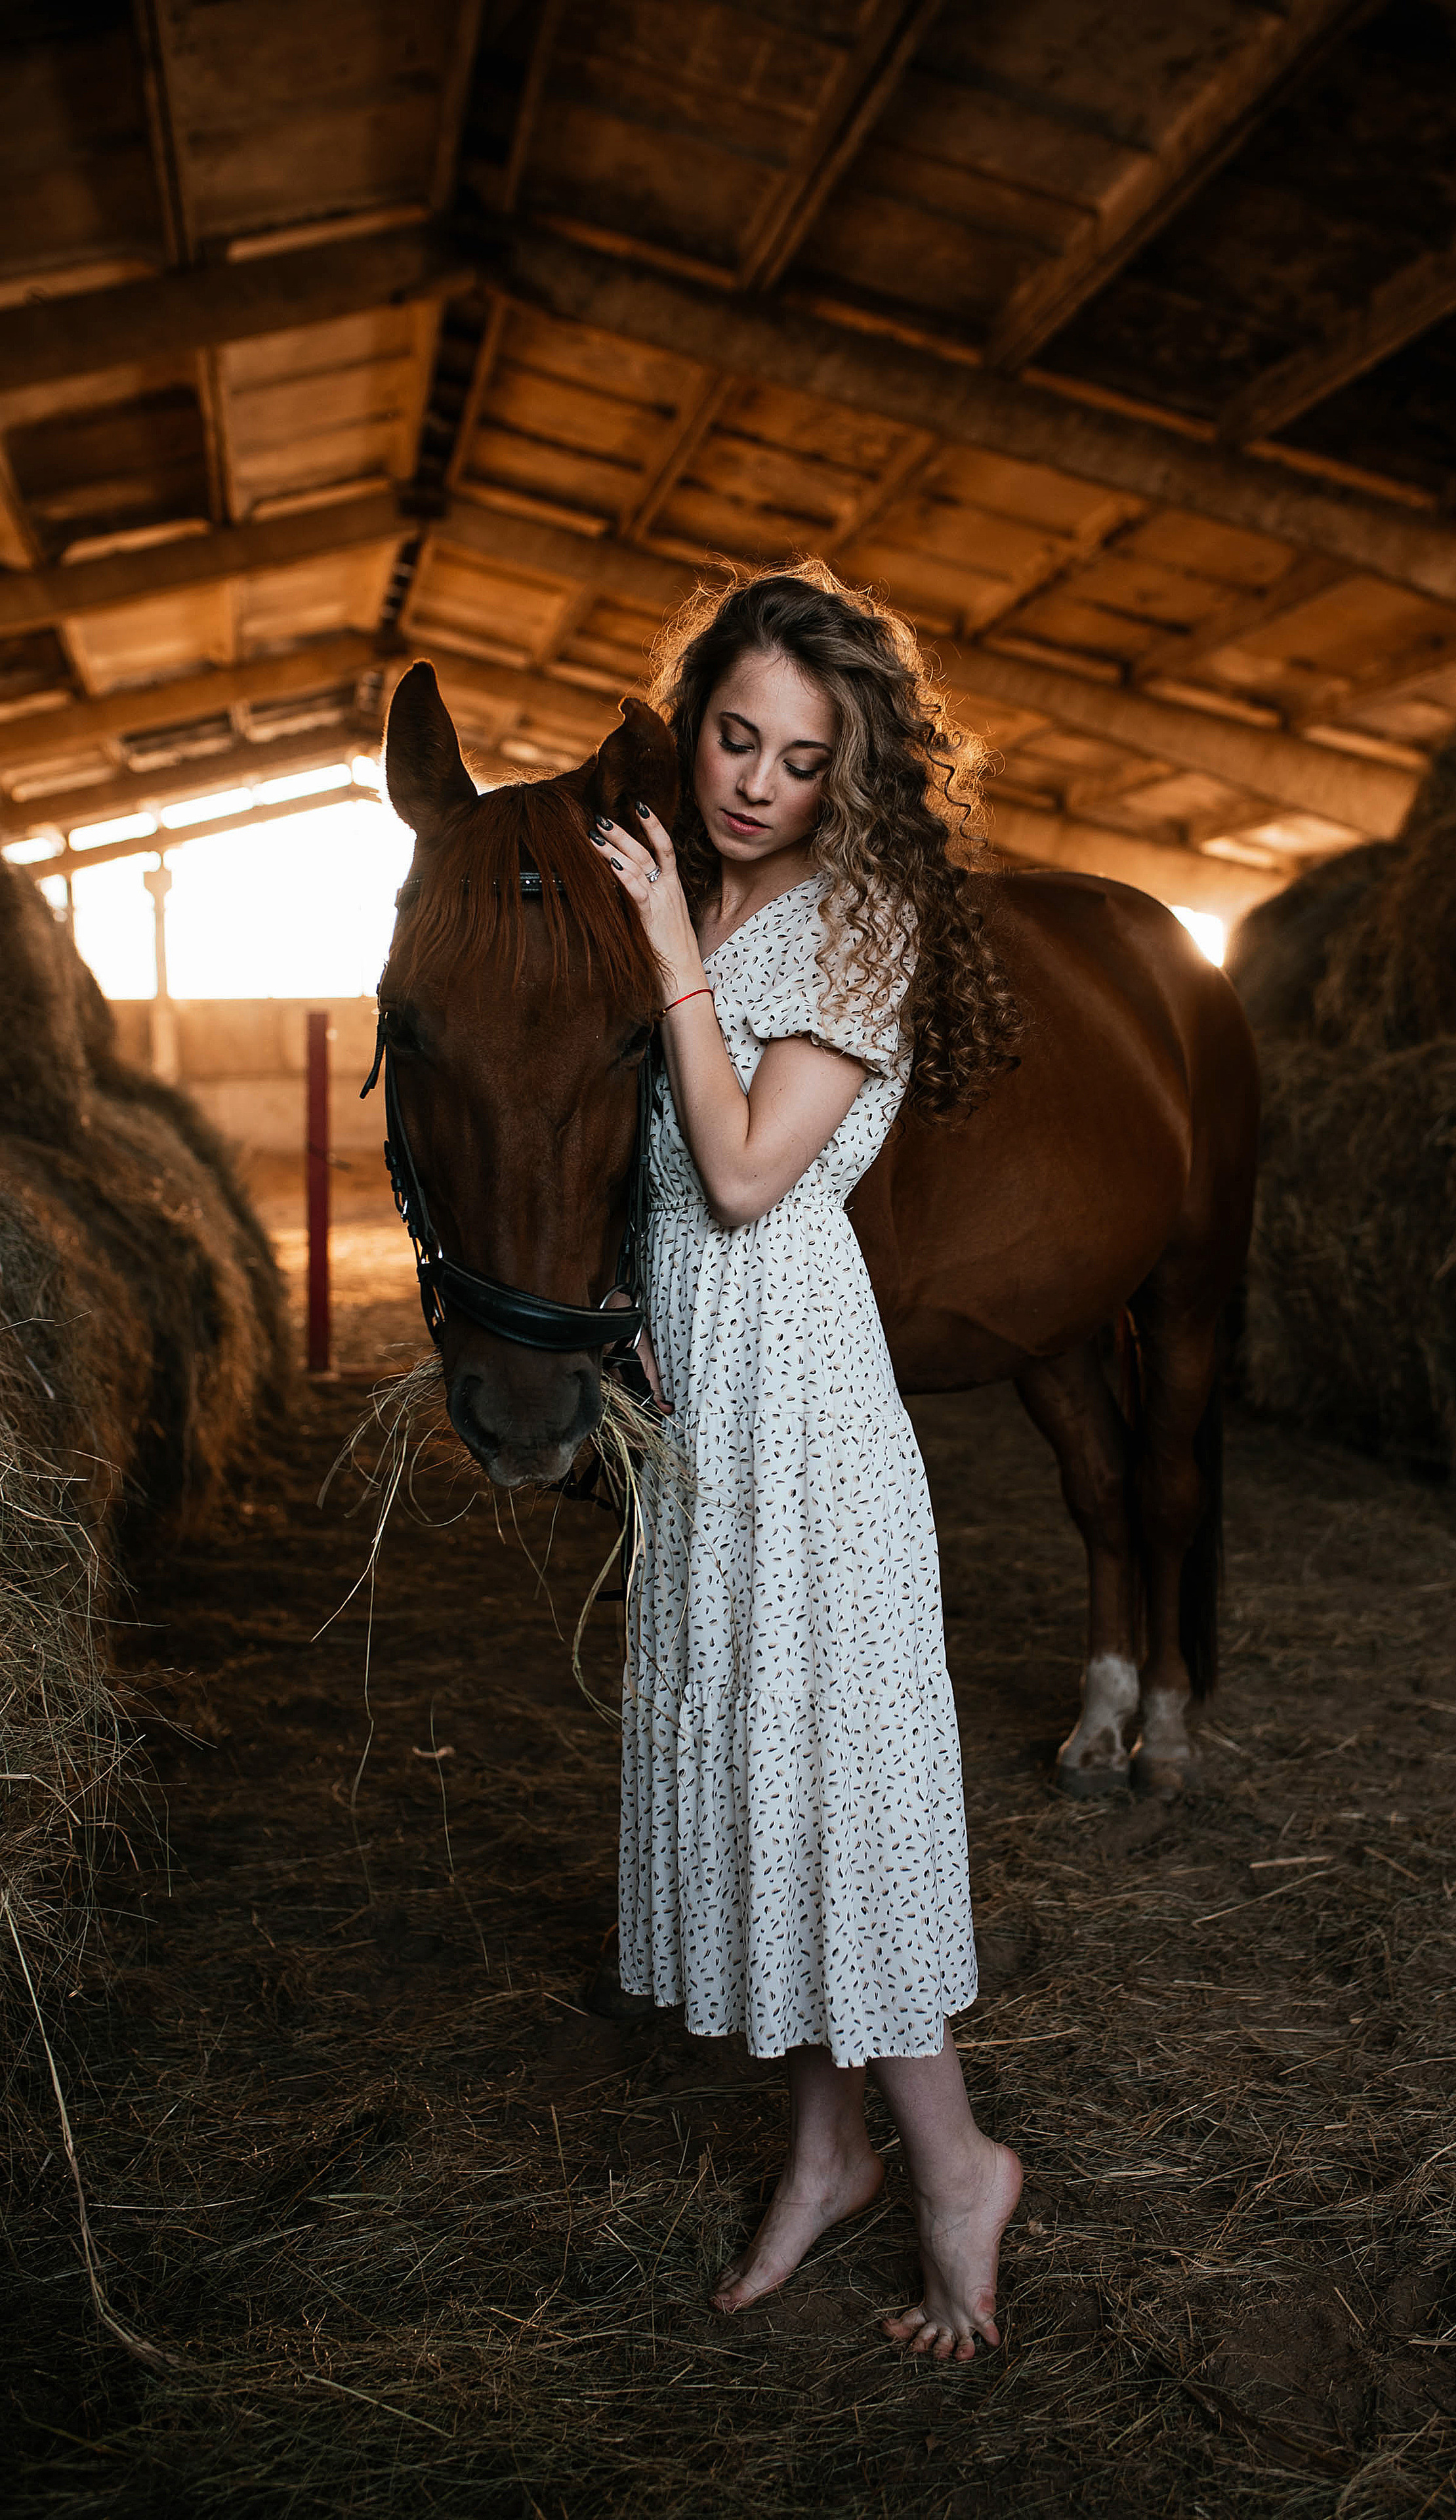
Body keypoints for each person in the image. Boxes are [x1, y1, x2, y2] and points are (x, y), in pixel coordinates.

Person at [592, 560, 1021, 2361]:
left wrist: (681, 960)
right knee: (769, 1788)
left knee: (836, 1789)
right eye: (731, 735)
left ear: (849, 772)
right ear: (695, 724)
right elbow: (671, 1181)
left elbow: (757, 1172)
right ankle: (827, 2155)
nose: (753, 779)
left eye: (796, 755)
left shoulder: (856, 922)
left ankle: (956, 2164)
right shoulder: (696, 881)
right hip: (708, 1395)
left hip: (810, 1405)